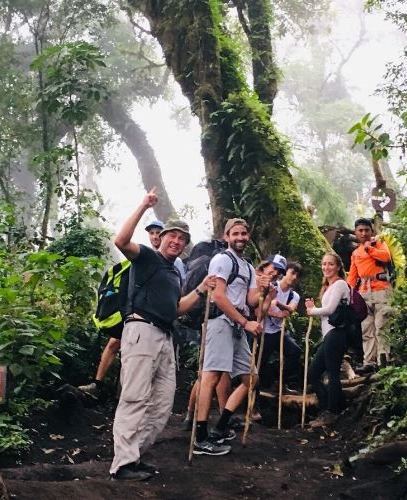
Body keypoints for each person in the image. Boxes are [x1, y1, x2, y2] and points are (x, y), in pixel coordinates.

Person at [109, 188, 215, 481]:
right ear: (162, 238)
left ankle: (134, 454)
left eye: (182, 239)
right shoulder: (147, 258)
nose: (177, 242)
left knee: (163, 403)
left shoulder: (174, 273)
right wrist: (143, 204)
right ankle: (123, 464)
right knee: (135, 398)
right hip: (141, 331)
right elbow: (120, 240)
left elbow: (176, 308)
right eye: (173, 236)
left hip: (165, 336)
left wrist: (201, 288)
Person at [79, 219, 184, 398]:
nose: (154, 236)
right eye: (151, 233)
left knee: (139, 363)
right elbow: (121, 244)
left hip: (157, 320)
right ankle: (102, 385)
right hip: (134, 314)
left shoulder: (173, 263)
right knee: (117, 346)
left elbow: (175, 294)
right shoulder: (143, 254)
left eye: (158, 232)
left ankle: (117, 391)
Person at [193, 218, 270, 456]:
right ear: (226, 236)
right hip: (221, 323)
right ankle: (200, 437)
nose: (240, 237)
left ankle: (221, 427)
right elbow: (218, 297)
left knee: (251, 379)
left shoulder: (246, 265)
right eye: (235, 233)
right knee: (212, 377)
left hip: (238, 327)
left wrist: (265, 290)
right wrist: (246, 322)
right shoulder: (221, 260)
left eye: (244, 233)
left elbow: (250, 300)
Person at [305, 252, 350, 427]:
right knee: (314, 374)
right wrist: (314, 310)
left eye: (330, 264)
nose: (326, 267)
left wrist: (312, 310)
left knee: (332, 373)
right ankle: (327, 408)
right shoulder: (329, 287)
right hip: (329, 335)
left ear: (338, 266)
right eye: (324, 264)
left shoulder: (339, 284)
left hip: (337, 334)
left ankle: (333, 412)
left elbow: (330, 310)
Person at [346, 218, 393, 372]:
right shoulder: (355, 254)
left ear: (372, 231)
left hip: (381, 289)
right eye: (360, 230)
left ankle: (384, 359)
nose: (364, 233)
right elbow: (352, 277)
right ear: (356, 233)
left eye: (367, 230)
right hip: (363, 293)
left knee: (382, 325)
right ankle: (369, 362)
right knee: (366, 329)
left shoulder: (379, 244)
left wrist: (369, 249)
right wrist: (348, 294)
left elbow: (386, 257)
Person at [258, 259, 302, 395]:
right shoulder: (272, 286)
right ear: (285, 272)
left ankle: (279, 382)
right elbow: (266, 310)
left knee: (294, 351)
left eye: (297, 276)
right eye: (292, 273)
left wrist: (277, 303)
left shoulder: (293, 295)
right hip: (264, 330)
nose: (294, 277)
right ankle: (257, 389)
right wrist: (277, 310)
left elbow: (290, 310)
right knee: (260, 361)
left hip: (278, 331)